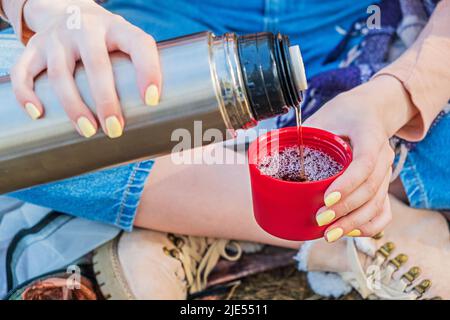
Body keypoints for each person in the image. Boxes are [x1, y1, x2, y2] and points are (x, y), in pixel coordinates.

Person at [0, 0, 449, 299]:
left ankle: (187, 214)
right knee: (14, 107)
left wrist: (392, 99)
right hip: (146, 61)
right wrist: (62, 14)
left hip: (373, 49)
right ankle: (344, 223)